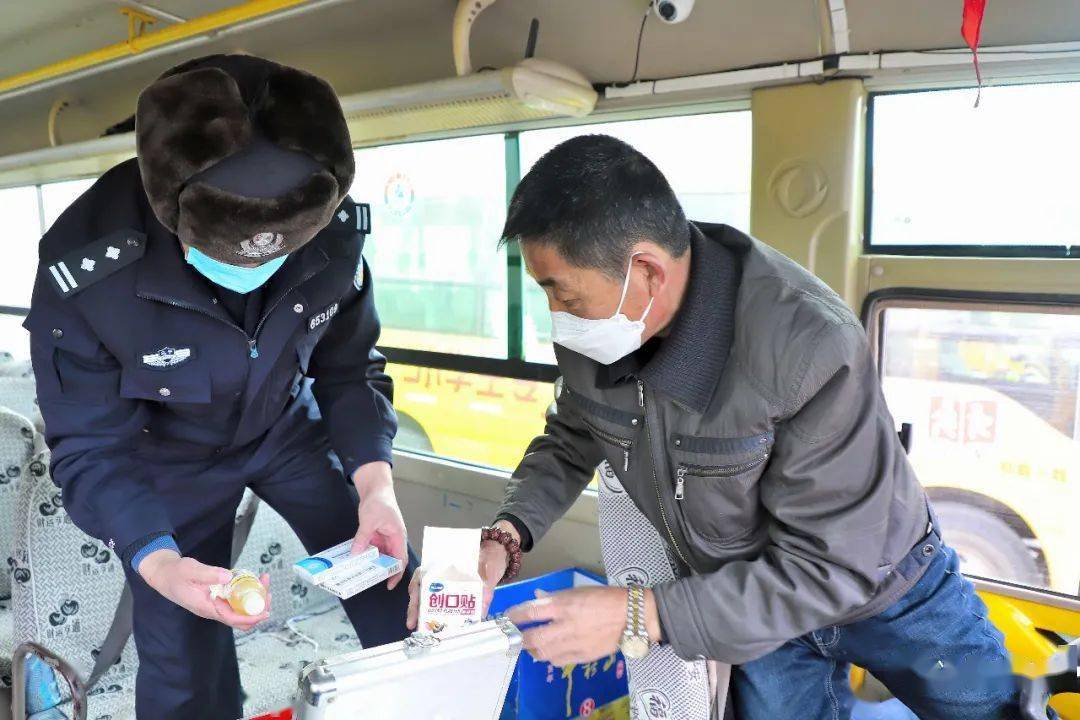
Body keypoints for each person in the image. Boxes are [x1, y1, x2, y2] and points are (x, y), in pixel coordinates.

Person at [410, 134, 1023, 720]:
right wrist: (505, 538)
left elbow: (835, 567)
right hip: (750, 601)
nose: (556, 315)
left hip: (891, 589)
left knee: (991, 710)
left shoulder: (810, 345)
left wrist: (635, 614)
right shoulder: (602, 332)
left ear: (645, 270)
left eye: (564, 294)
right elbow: (573, 436)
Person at [25, 53, 415, 719]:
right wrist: (155, 563)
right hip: (168, 456)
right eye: (232, 254)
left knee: (395, 585)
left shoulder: (334, 242)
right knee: (183, 655)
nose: (257, 270)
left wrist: (376, 488)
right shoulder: (89, 271)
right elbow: (91, 448)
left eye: (279, 252)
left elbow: (350, 370)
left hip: (287, 427)